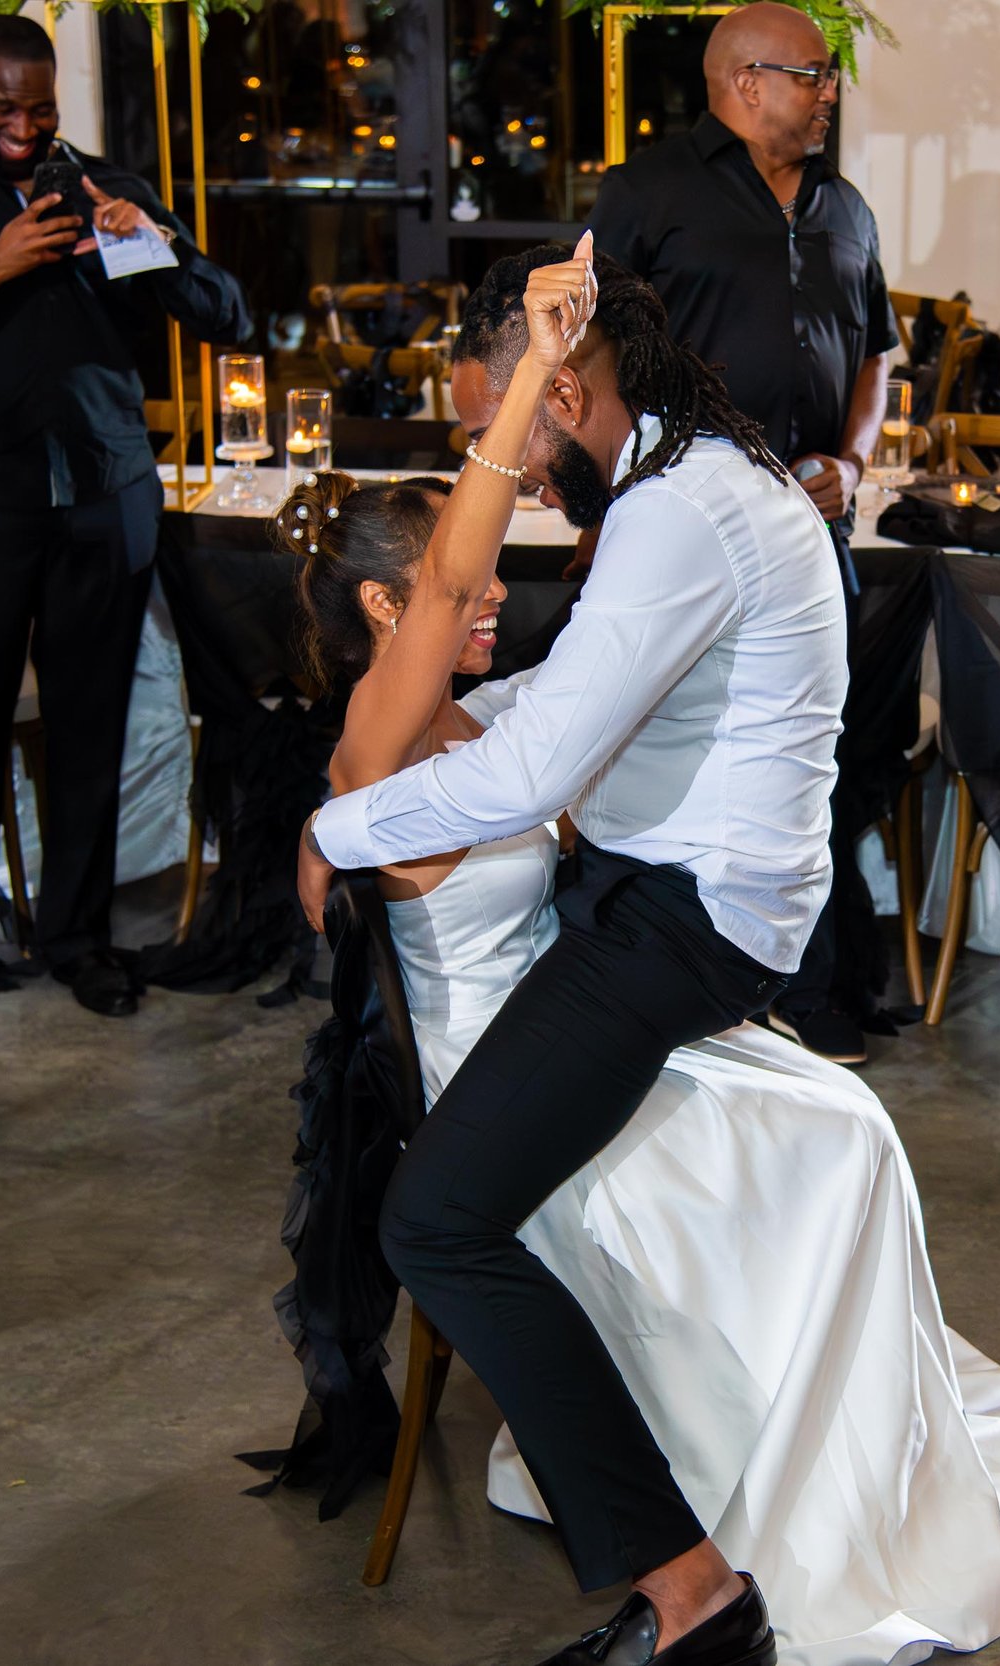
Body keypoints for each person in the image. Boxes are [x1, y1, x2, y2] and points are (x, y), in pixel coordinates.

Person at [274, 296, 1000, 1665]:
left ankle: (720, 1543)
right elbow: (488, 644)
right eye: (479, 488)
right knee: (435, 1223)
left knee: (805, 1139)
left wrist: (328, 833)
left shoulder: (574, 598)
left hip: (624, 959)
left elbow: (528, 713)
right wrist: (522, 404)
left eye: (508, 449)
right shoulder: (396, 728)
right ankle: (693, 1579)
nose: (499, 532)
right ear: (387, 610)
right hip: (575, 993)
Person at [293, 239, 857, 1664]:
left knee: (431, 1221)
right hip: (685, 890)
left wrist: (343, 824)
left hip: (691, 917)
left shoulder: (677, 512)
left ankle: (692, 1589)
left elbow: (522, 773)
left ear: (572, 384)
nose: (521, 469)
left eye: (517, 422)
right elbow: (576, 686)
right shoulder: (699, 479)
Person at [0, 13, 251, 1029]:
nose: (24, 128)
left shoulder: (109, 186)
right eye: (4, 108)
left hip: (104, 495)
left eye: (40, 109)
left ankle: (77, 939)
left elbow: (226, 314)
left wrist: (150, 246)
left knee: (89, 731)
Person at [590, 1, 896, 1066]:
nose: (829, 93)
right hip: (686, 530)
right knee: (679, 752)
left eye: (830, 76)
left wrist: (852, 463)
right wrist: (609, 504)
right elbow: (590, 357)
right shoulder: (646, 193)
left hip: (814, 537)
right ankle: (676, 986)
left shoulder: (846, 206)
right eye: (812, 75)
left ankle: (806, 996)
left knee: (807, 761)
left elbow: (876, 359)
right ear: (745, 79)